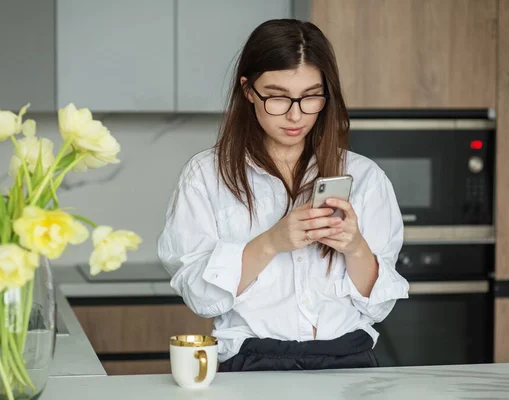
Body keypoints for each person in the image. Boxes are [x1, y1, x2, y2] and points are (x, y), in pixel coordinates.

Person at [157, 19, 409, 372]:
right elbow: (201, 298)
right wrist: (272, 242)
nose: (295, 115)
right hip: (250, 362)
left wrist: (354, 247)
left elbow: (378, 307)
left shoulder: (366, 177)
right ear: (248, 90)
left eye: (310, 97)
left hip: (349, 361)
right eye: (277, 97)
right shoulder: (205, 177)